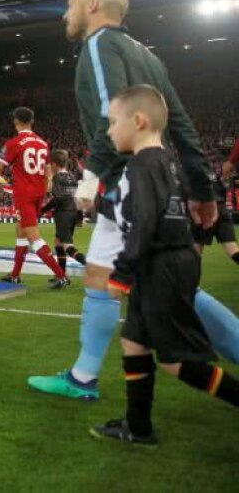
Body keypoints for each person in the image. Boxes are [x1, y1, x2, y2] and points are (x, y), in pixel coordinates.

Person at [29, 0, 234, 401]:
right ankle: (83, 377)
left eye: (69, 5)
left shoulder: (100, 46)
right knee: (105, 275)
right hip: (154, 179)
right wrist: (200, 188)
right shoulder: (148, 57)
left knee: (167, 287)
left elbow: (110, 118)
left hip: (128, 183)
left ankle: (83, 378)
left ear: (92, 5)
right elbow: (180, 123)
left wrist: (90, 178)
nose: (65, 15)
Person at [90, 85, 238, 445]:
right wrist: (100, 206)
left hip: (161, 265)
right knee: (134, 343)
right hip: (164, 262)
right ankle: (138, 427)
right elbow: (142, 209)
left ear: (138, 121)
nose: (109, 131)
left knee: (175, 361)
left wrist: (122, 275)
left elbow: (145, 220)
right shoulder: (159, 160)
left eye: (113, 123)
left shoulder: (143, 164)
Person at [0, 107, 68, 287]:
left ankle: (60, 275)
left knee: (34, 237)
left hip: (24, 194)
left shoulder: (13, 143)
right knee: (21, 232)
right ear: (32, 121)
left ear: (15, 121)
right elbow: (48, 169)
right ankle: (15, 275)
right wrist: (48, 183)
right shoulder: (42, 143)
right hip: (38, 193)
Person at [40, 149, 86, 276]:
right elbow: (77, 198)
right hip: (72, 213)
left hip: (63, 214)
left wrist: (43, 210)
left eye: (50, 165)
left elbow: (57, 198)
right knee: (58, 242)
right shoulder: (72, 176)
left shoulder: (57, 178)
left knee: (67, 246)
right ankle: (61, 274)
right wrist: (80, 217)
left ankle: (90, 267)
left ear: (54, 164)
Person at [191, 161, 238, 265]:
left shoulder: (193, 169)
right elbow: (225, 187)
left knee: (195, 251)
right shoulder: (217, 171)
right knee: (232, 249)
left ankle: (190, 281)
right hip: (222, 208)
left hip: (204, 209)